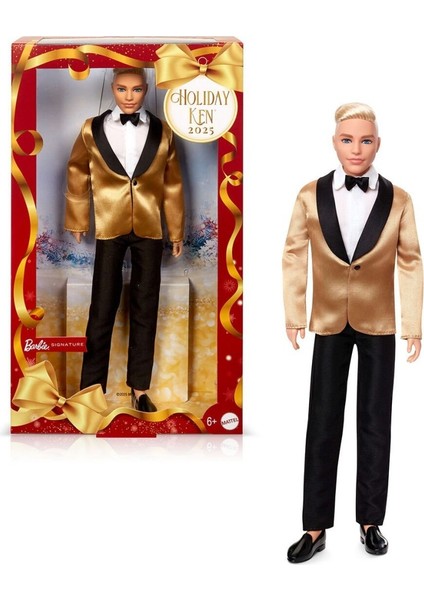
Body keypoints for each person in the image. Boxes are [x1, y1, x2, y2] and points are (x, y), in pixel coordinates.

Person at [282, 102, 423, 562]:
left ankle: (370, 521)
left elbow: (410, 261)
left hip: (379, 321)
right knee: (322, 421)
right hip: (327, 320)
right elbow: (294, 254)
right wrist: (294, 314)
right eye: (347, 139)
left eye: (365, 140)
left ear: (378, 144)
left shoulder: (400, 199)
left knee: (375, 422)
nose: (356, 149)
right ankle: (314, 526)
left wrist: (413, 325)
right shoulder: (310, 194)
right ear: (334, 142)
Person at [65, 67, 185, 412]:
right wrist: (78, 218)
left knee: (146, 306)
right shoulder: (91, 129)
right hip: (109, 224)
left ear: (146, 89)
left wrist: (175, 229)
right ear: (112, 88)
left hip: (149, 227)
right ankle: (91, 389)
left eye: (136, 89)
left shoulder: (162, 131)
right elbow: (77, 170)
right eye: (121, 89)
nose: (129, 96)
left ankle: (139, 389)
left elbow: (172, 184)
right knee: (102, 306)